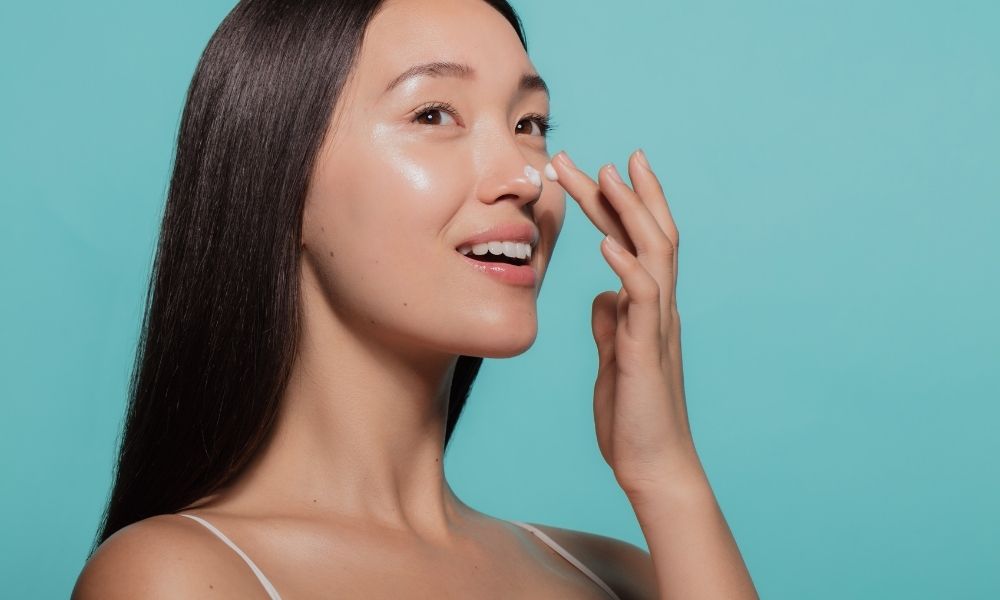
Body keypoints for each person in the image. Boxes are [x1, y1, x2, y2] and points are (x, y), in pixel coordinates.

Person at [72, 0, 758, 597]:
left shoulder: (621, 577)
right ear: (277, 181)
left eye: (529, 123)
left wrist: (667, 474)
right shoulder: (175, 577)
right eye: (434, 114)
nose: (525, 175)